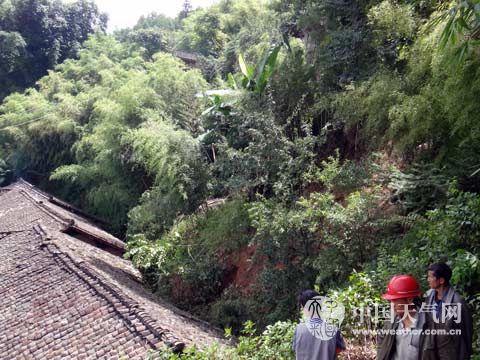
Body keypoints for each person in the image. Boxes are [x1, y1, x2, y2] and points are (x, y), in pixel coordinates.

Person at [422, 262, 473, 360]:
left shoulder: (457, 302)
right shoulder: (429, 298)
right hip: (432, 350)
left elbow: (467, 331)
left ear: (441, 280)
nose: (428, 280)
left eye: (430, 277)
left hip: (451, 352)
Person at [377, 274, 424, 360]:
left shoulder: (428, 325)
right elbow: (382, 339)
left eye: (395, 301)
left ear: (410, 300)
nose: (392, 305)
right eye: (390, 301)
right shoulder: (392, 319)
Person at [292, 290, 346, 360]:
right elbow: (339, 350)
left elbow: (295, 350)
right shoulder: (334, 330)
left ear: (304, 308)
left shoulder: (298, 330)